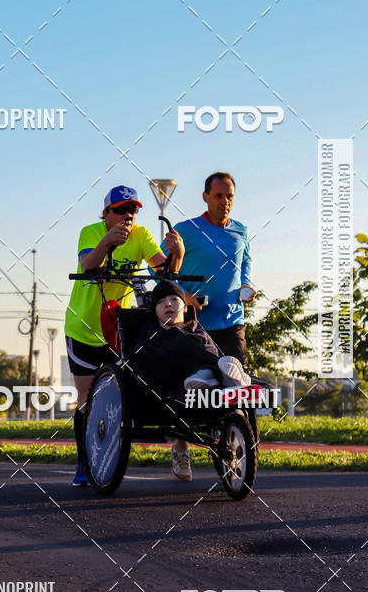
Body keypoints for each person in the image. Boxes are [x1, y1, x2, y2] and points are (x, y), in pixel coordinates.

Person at [65, 185, 184, 486]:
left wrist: (177, 254)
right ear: (106, 213)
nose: (127, 216)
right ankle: (83, 463)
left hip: (118, 327)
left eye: (132, 210)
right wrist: (106, 243)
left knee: (120, 396)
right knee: (85, 398)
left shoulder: (142, 235)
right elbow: (88, 265)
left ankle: (110, 457)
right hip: (83, 327)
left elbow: (165, 276)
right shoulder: (91, 232)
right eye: (120, 210)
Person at [166, 172, 256, 480]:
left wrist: (247, 286)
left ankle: (234, 446)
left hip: (231, 321)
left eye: (229, 196)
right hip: (194, 324)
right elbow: (166, 272)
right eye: (218, 195)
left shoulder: (241, 231)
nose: (224, 201)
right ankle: (181, 448)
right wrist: (183, 296)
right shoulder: (186, 230)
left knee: (235, 387)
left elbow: (245, 266)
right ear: (205, 196)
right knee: (192, 387)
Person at [130, 280, 250, 482]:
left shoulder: (196, 328)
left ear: (185, 307)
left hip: (204, 384)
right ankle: (212, 372)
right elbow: (141, 358)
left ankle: (215, 374)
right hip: (170, 381)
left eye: (174, 299)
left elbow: (212, 349)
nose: (168, 304)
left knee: (200, 343)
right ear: (154, 310)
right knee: (181, 342)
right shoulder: (149, 332)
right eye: (161, 302)